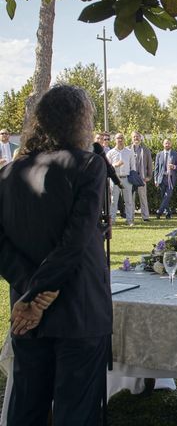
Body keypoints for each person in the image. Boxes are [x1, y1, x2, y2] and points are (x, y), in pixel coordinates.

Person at [0, 85, 112, 425]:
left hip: (26, 314)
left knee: (26, 409)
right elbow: (74, 242)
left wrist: (29, 295)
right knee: (76, 413)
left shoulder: (6, 174)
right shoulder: (89, 165)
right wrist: (38, 297)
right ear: (79, 123)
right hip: (79, 309)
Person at [106, 132, 135, 226]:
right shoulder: (110, 152)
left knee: (129, 201)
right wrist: (115, 165)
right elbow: (107, 167)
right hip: (115, 179)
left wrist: (133, 177)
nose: (120, 140)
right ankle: (112, 220)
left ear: (124, 139)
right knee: (114, 200)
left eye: (121, 138)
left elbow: (133, 167)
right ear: (115, 140)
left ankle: (129, 220)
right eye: (118, 138)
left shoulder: (129, 152)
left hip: (126, 178)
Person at [153, 138, 177, 219]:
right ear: (163, 144)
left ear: (171, 144)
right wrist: (155, 179)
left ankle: (159, 212)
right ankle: (168, 213)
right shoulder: (159, 154)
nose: (167, 145)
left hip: (171, 179)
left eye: (168, 143)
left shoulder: (175, 154)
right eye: (166, 143)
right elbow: (156, 168)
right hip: (161, 178)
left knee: (167, 196)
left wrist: (174, 166)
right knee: (163, 196)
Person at [130, 131, 153, 222]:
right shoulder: (128, 149)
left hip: (142, 178)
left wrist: (149, 176)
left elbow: (150, 165)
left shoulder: (146, 150)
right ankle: (130, 217)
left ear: (140, 138)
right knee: (130, 199)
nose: (136, 138)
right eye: (134, 137)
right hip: (131, 178)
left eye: (138, 137)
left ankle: (145, 217)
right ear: (132, 138)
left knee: (143, 198)